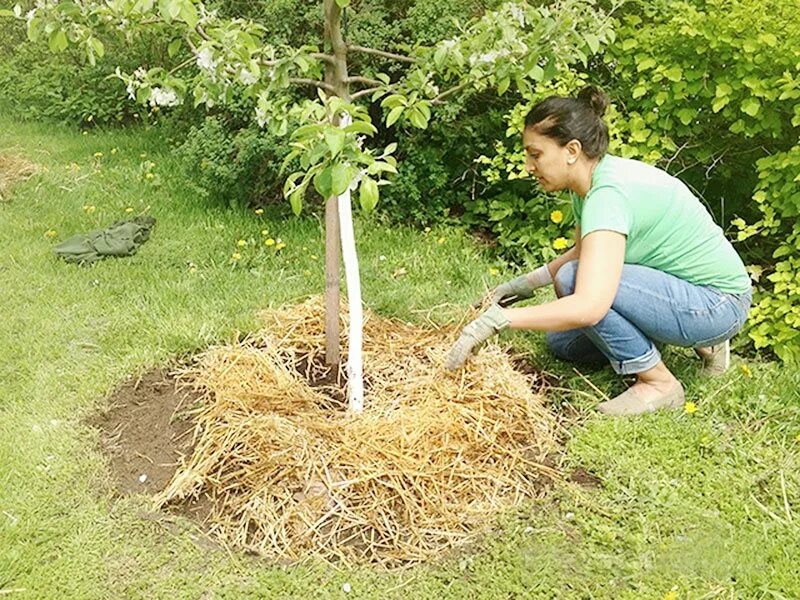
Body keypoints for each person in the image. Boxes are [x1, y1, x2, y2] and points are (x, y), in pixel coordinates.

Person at [444, 85, 753, 416]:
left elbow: (590, 305)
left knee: (575, 282)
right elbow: (581, 253)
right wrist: (519, 287)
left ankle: (660, 384)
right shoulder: (589, 185)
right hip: (676, 293)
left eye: (535, 154)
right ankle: (670, 342)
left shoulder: (608, 195)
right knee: (562, 343)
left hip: (716, 303)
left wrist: (498, 320)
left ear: (572, 150)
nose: (528, 166)